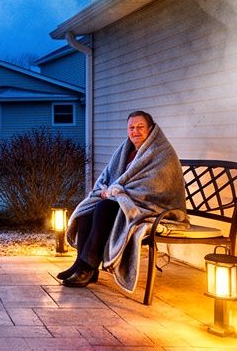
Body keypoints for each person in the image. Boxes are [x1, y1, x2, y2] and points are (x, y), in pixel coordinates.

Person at [58, 110, 188, 289]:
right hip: (125, 199)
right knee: (88, 210)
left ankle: (88, 267)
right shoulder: (126, 149)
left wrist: (116, 192)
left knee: (105, 208)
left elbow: (154, 187)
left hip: (155, 206)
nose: (135, 131)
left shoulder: (162, 153)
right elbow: (110, 175)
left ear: (151, 129)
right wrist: (106, 189)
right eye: (131, 128)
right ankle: (81, 263)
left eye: (140, 127)